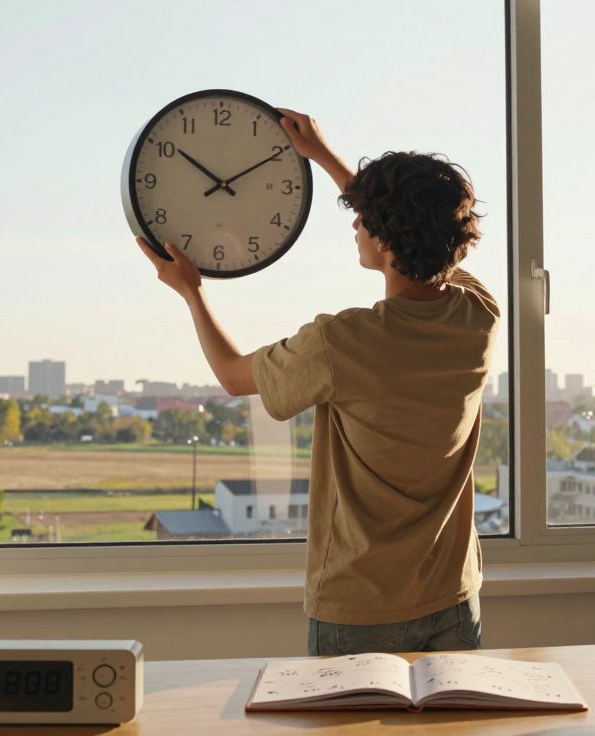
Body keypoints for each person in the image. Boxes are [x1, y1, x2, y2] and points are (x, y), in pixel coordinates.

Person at [134, 108, 499, 656]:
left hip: (361, 608)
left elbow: (233, 376)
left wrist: (191, 291)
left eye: (364, 218)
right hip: (453, 597)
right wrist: (330, 163)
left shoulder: (343, 343)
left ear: (386, 235)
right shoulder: (480, 317)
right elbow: (422, 241)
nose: (354, 223)